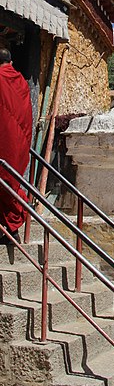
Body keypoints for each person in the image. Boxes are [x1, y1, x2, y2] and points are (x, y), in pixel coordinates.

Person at [0, 48, 32, 244]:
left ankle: (10, 231)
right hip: (19, 144)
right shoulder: (21, 82)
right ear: (11, 62)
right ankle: (10, 232)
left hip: (4, 141)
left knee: (4, 182)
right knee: (10, 182)